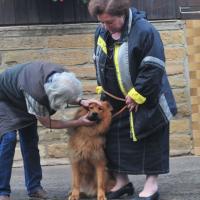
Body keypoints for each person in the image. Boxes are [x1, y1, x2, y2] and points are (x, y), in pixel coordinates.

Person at [88, 0, 177, 200]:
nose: (105, 26)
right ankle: (122, 182)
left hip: (148, 97)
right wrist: (102, 87)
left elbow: (153, 66)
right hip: (116, 100)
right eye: (102, 22)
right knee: (113, 140)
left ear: (122, 14)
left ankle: (151, 186)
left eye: (109, 22)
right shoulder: (102, 31)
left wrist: (138, 94)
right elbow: (99, 59)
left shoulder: (145, 31)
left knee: (151, 138)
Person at [0, 61, 97, 200]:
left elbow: (67, 91)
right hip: (4, 99)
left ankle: (34, 187)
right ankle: (2, 191)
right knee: (8, 139)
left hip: (23, 97)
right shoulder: (36, 94)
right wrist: (79, 122)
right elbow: (49, 123)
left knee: (30, 142)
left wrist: (81, 101)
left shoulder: (64, 76)